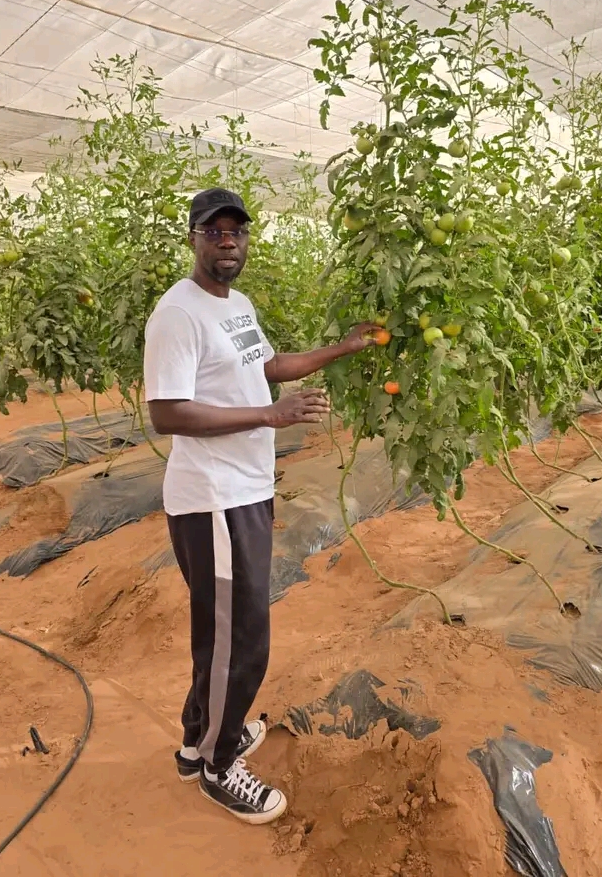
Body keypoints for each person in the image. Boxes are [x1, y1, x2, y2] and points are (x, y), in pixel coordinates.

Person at [143, 187, 377, 825]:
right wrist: (271, 417)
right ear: (192, 237)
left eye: (237, 232)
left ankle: (200, 743)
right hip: (213, 500)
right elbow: (166, 413)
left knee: (222, 631)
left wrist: (342, 348)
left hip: (246, 490)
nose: (228, 241)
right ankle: (221, 767)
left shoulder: (236, 306)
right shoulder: (178, 314)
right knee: (241, 638)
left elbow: (268, 366)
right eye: (214, 231)